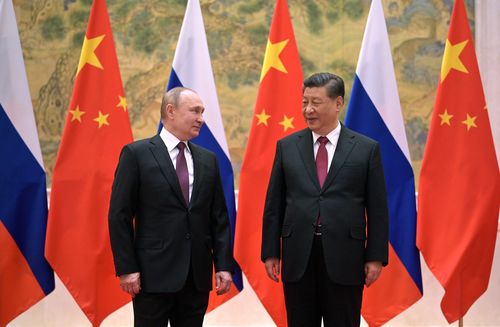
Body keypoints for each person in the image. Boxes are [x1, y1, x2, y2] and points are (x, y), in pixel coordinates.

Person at [261, 72, 389, 327]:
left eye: (316, 103)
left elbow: (377, 209)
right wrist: (270, 252)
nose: (308, 109)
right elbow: (274, 204)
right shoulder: (287, 146)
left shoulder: (366, 149)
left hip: (346, 256)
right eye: (305, 102)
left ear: (338, 103)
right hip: (299, 255)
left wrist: (375, 256)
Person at [108, 87, 233, 327]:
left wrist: (224, 265)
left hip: (195, 275)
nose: (201, 119)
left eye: (203, 112)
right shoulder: (137, 154)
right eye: (195, 111)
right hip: (151, 275)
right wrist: (126, 268)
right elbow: (119, 216)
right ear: (171, 111)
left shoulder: (208, 159)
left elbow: (218, 218)